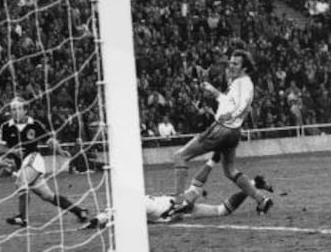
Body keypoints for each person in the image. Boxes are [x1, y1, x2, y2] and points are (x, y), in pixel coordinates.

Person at [172, 49, 272, 214]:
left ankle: (177, 202)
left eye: (235, 64)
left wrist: (229, 115)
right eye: (230, 62)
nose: (231, 66)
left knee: (180, 156)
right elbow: (228, 102)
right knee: (230, 171)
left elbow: (243, 105)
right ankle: (261, 200)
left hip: (221, 130)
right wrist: (213, 90)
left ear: (244, 68)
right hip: (233, 133)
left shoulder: (243, 83)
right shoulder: (239, 82)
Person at [0, 97, 89, 227]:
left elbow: (49, 140)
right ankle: (80, 212)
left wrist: (60, 151)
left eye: (18, 108)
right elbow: (1, 147)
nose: (15, 112)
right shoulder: (5, 127)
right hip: (22, 167)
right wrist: (13, 152)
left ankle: (22, 218)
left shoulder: (35, 124)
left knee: (21, 183)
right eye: (12, 109)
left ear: (25, 110)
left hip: (34, 160)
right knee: (48, 196)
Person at [79, 175, 274, 229]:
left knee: (215, 207)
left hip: (177, 205)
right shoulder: (134, 201)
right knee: (222, 211)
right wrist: (99, 221)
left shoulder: (138, 204)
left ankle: (253, 184)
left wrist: (97, 222)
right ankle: (253, 184)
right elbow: (113, 213)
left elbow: (114, 215)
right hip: (178, 207)